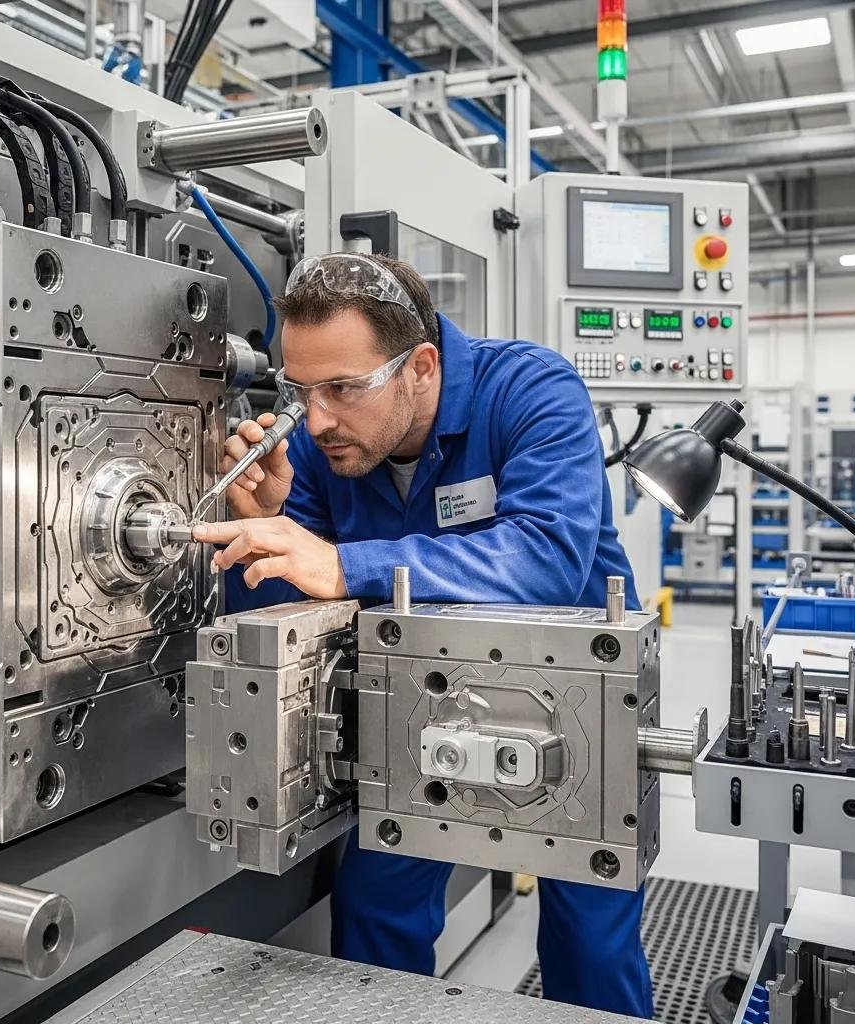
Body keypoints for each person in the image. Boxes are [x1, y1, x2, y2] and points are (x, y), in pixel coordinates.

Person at [191, 252, 653, 1018]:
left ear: (422, 367)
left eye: (342, 388)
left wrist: (345, 563)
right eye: (302, 390)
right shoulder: (316, 446)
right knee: (376, 908)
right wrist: (262, 523)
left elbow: (544, 561)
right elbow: (280, 594)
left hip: (573, 703)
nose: (317, 418)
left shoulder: (532, 391)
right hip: (421, 706)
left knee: (589, 943)